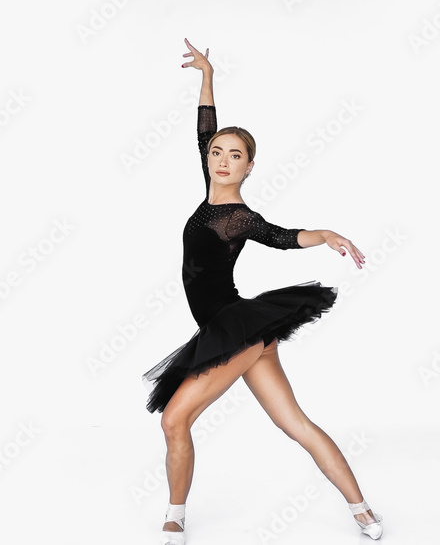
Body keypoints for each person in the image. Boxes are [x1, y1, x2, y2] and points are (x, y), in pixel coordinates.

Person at [141, 38, 383, 544]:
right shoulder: (208, 194)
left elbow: (283, 237)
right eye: (217, 152)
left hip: (236, 327)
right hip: (233, 331)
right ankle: (361, 509)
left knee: (174, 419)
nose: (223, 159)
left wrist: (326, 235)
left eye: (236, 156)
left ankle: (174, 518)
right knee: (295, 423)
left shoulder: (239, 217)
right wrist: (207, 77)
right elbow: (205, 126)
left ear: (250, 167)